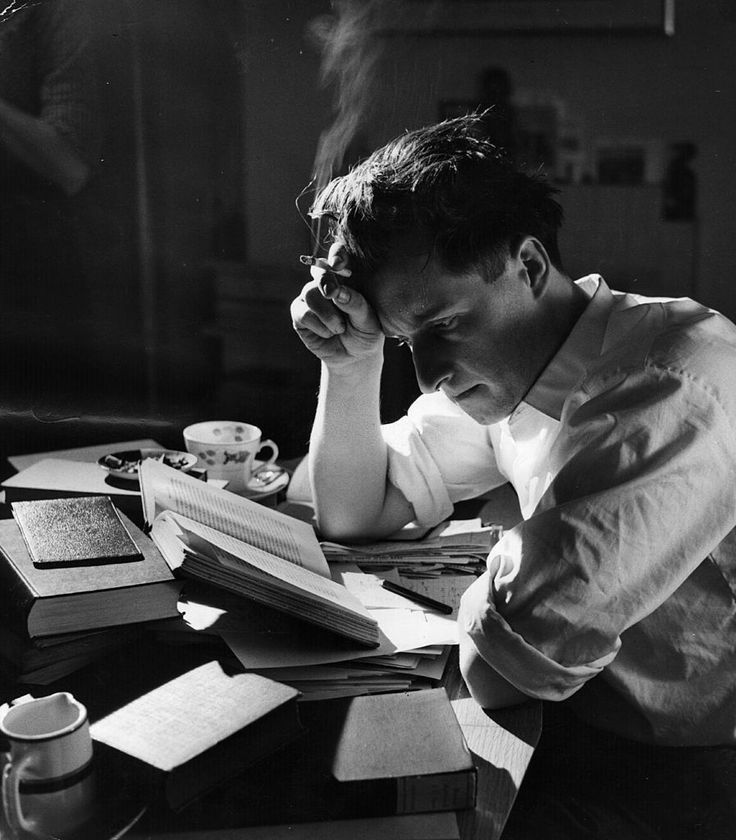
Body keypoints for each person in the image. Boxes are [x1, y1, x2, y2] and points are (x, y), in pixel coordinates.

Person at [290, 115, 736, 838]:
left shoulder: (668, 385)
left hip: (691, 770)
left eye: (441, 327)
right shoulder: (518, 365)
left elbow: (503, 671)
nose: (429, 375)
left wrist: (506, 561)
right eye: (406, 341)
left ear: (528, 265)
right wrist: (351, 363)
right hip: (587, 720)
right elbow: (350, 510)